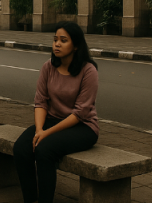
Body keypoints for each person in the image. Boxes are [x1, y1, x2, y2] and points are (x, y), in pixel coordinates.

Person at [12, 21, 99, 203]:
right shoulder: (48, 67)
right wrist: (38, 130)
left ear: (75, 46)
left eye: (63, 40)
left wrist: (46, 134)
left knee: (44, 150)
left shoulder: (88, 70)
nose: (57, 44)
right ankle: (30, 199)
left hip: (82, 127)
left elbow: (80, 112)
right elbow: (41, 102)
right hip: (52, 120)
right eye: (55, 40)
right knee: (21, 148)